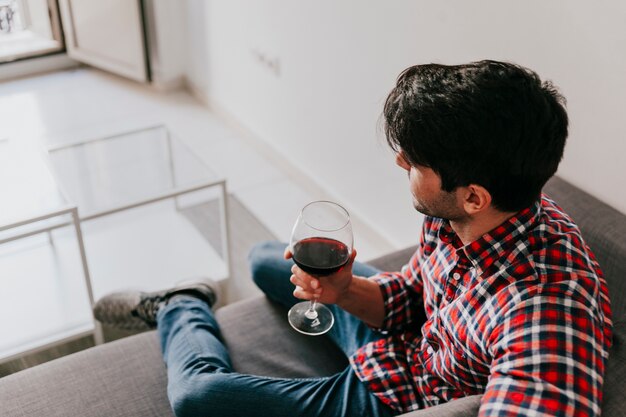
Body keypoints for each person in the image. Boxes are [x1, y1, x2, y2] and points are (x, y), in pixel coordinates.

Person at [94, 60, 612, 417]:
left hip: (395, 395)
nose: (400, 161)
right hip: (406, 345)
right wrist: (342, 291)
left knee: (199, 398)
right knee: (264, 259)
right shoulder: (466, 217)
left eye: (416, 160)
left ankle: (180, 304)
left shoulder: (546, 313)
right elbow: (411, 299)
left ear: (473, 195)